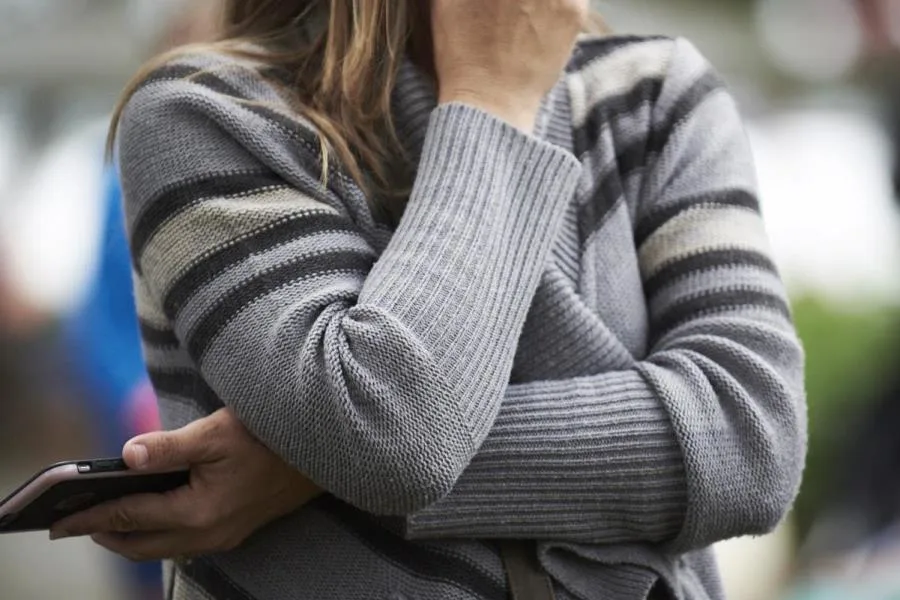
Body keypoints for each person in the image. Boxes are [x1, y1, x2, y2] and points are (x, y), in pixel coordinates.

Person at [51, 1, 807, 599]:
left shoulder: (661, 97)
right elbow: (391, 430)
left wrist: (299, 470)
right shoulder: (204, 115)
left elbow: (752, 437)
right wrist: (495, 100)